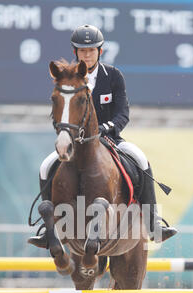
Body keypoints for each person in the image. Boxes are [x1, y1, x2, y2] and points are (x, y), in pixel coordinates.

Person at [28, 24, 177, 248]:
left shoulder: (113, 76)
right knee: (45, 166)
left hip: (109, 138)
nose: (86, 55)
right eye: (82, 51)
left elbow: (123, 114)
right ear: (75, 52)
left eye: (91, 50)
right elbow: (62, 112)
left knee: (140, 159)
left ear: (100, 51)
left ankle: (153, 222)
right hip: (75, 143)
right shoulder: (69, 81)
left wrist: (107, 128)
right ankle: (47, 229)